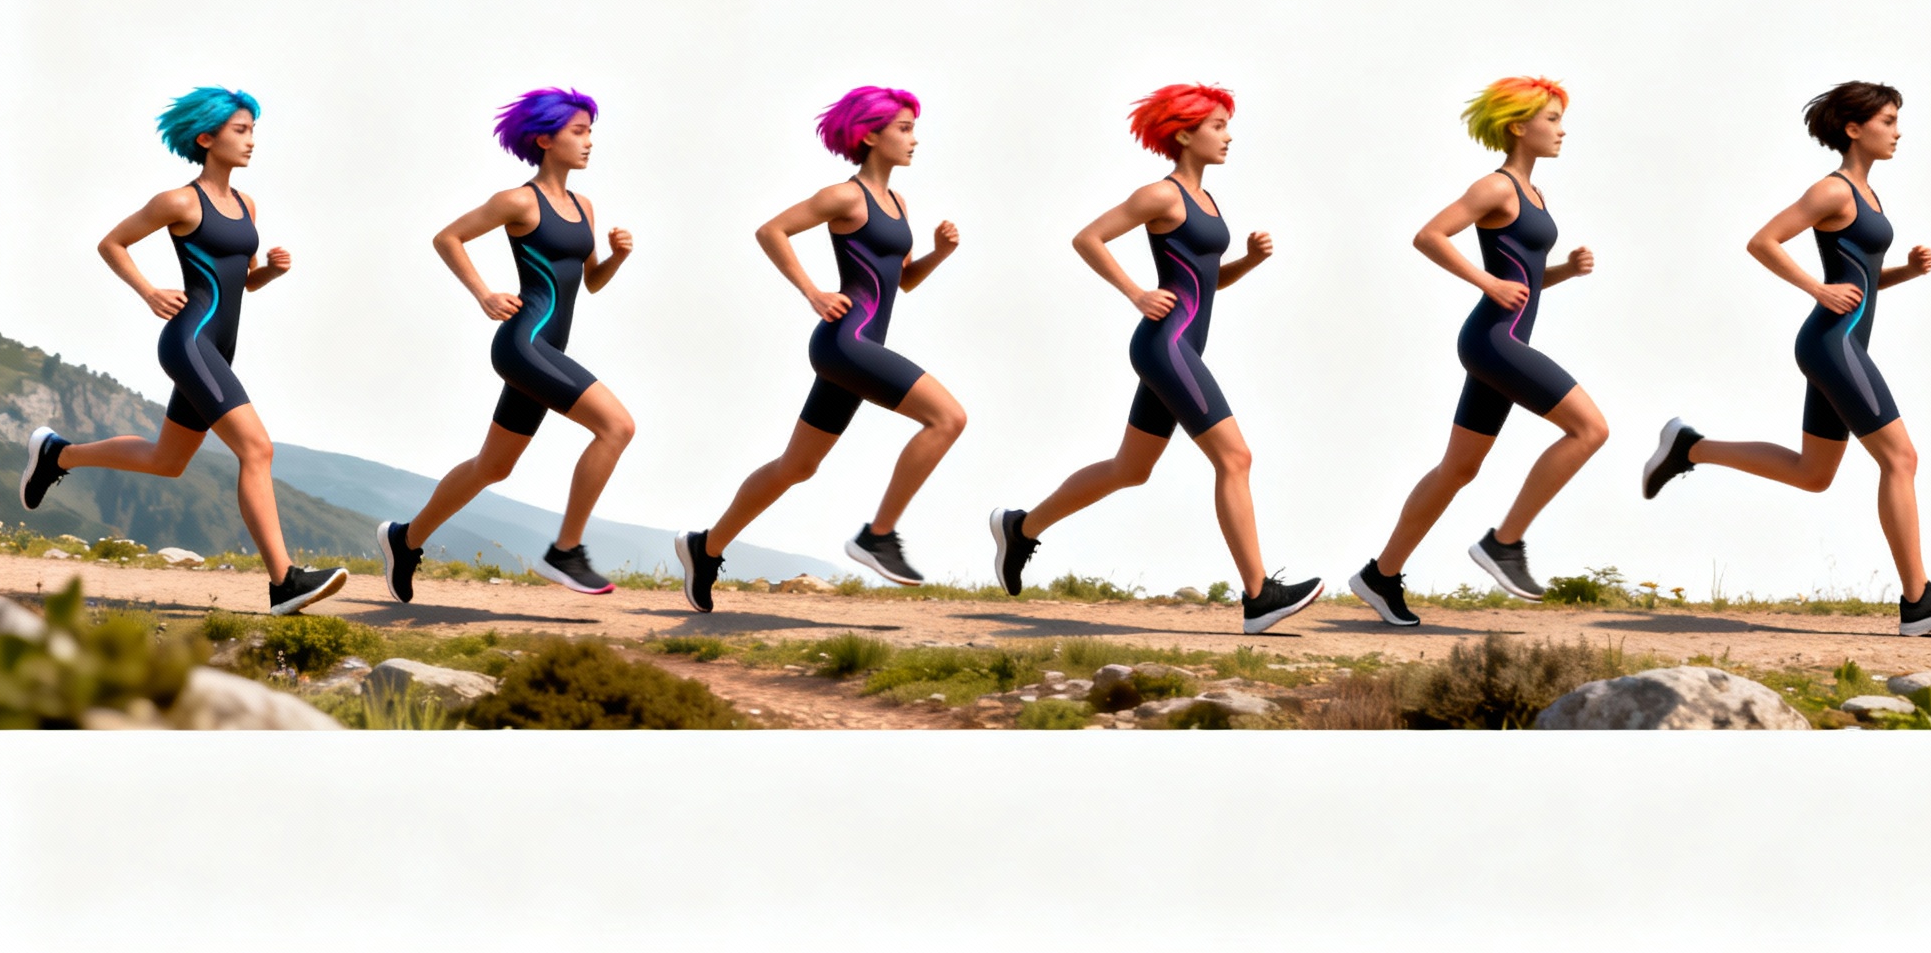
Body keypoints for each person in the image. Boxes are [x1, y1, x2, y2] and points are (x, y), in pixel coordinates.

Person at [1641, 81, 1931, 636]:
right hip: (1833, 344)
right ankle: (1918, 599)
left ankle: (1689, 448)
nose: (1898, 132)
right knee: (1901, 460)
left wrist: (1906, 272)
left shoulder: (1868, 195)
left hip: (1839, 343)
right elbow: (1764, 241)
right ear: (1855, 128)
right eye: (1889, 120)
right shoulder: (1834, 191)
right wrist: (1816, 290)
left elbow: (1863, 284)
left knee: (1813, 473)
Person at [987, 83, 1323, 635]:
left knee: (1130, 469)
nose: (1228, 135)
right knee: (1235, 458)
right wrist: (1136, 293)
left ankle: (1021, 528)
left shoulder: (1208, 202)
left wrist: (1248, 262)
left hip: (1180, 346)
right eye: (1218, 125)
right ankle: (1260, 596)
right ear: (1185, 133)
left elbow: (1207, 283)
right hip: (1164, 344)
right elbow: (1088, 238)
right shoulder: (1161, 195)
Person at [19, 86, 348, 615]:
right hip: (190, 341)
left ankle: (58, 454)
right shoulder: (178, 201)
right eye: (241, 131)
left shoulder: (246, 205)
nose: (251, 141)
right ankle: (285, 582)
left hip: (220, 345)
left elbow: (242, 283)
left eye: (252, 131)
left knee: (166, 460)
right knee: (257, 449)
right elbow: (112, 243)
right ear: (206, 137)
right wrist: (149, 290)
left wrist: (270, 271)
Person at [675, 87, 963, 613]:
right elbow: (772, 231)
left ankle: (706, 546)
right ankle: (879, 535)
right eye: (904, 127)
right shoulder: (845, 196)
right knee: (947, 418)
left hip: (858, 347)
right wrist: (812, 292)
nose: (914, 138)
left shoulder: (898, 204)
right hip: (844, 342)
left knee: (797, 466)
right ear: (871, 135)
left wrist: (939, 255)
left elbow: (903, 282)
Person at [1347, 77, 1608, 627]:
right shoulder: (1497, 187)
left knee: (1459, 467)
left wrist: (1562, 270)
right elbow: (1431, 235)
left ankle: (1380, 575)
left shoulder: (1534, 194)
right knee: (1590, 430)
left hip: (1502, 340)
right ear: (1519, 126)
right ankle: (1504, 542)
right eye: (1553, 119)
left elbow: (1525, 282)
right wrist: (1486, 284)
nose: (1562, 130)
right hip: (1495, 341)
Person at [375, 88, 635, 600]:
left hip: (548, 350)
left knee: (493, 466)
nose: (589, 142)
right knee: (617, 426)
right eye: (578, 132)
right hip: (524, 344)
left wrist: (617, 257)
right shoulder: (518, 201)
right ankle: (566, 549)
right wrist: (484, 294)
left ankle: (406, 540)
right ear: (544, 139)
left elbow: (591, 282)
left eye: (590, 132)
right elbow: (447, 237)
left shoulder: (584, 206)